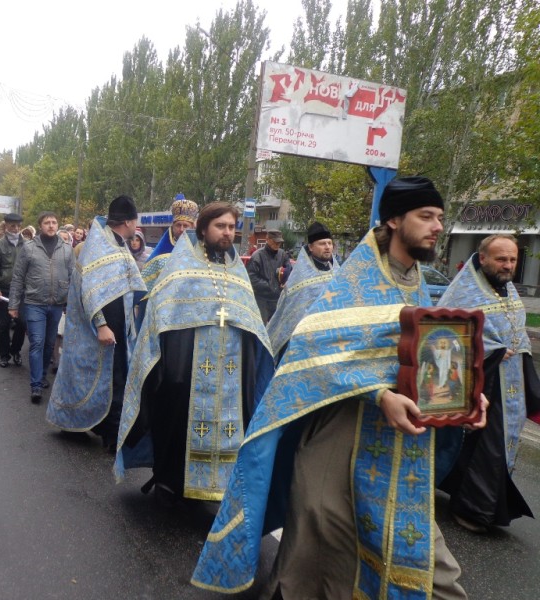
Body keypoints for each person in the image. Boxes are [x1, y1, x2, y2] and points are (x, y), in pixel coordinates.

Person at [191, 176, 488, 599]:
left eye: (440, 217)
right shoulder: (354, 283)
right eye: (426, 216)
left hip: (401, 448)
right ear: (393, 220)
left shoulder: (417, 283)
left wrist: (467, 394)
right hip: (341, 435)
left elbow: (430, 361)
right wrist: (379, 393)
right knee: (317, 538)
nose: (438, 226)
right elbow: (312, 351)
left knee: (426, 564)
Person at [115, 202, 272, 503]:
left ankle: (219, 484)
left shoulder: (236, 269)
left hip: (231, 367)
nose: (227, 232)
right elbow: (162, 311)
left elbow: (250, 317)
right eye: (220, 226)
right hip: (186, 363)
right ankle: (171, 479)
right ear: (203, 229)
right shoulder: (181, 265)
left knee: (231, 419)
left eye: (231, 227)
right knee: (176, 413)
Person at [438, 234, 540, 533]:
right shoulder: (464, 293)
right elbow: (445, 336)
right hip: (479, 383)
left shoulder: (508, 290)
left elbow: (516, 331)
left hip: (510, 383)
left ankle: (486, 506)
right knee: (485, 448)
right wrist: (490, 350)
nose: (508, 265)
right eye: (501, 259)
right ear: (483, 259)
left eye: (512, 260)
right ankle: (473, 508)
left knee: (497, 448)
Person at [47, 196, 146, 447]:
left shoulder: (118, 243)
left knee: (116, 378)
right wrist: (101, 325)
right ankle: (110, 436)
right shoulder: (99, 246)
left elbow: (128, 282)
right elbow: (90, 291)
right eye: (136, 221)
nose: (137, 226)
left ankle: (105, 428)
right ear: (127, 221)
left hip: (119, 327)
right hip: (97, 329)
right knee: (102, 379)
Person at [9, 212, 74, 403]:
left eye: (54, 222)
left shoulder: (66, 249)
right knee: (37, 342)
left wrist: (72, 302)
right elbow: (18, 277)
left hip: (56, 304)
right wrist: (13, 304)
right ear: (40, 225)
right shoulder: (29, 248)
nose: (51, 225)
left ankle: (43, 374)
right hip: (34, 302)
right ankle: (35, 385)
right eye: (47, 222)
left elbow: (74, 278)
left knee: (49, 343)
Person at [265, 222, 337, 371]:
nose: (328, 247)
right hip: (301, 344)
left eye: (330, 243)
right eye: (322, 243)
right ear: (310, 247)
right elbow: (289, 313)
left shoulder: (338, 273)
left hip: (331, 343)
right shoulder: (299, 278)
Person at [0, 213, 27, 368]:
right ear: (6, 226)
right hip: (4, 291)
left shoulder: (28, 244)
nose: (15, 229)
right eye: (12, 226)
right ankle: (4, 355)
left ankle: (16, 351)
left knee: (22, 323)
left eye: (17, 226)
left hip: (23, 291)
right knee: (3, 324)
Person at [140, 194, 199, 293]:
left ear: (193, 227)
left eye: (185, 226)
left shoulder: (201, 249)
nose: (181, 229)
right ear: (172, 226)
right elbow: (146, 286)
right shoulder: (160, 253)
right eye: (178, 225)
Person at [246, 229, 289, 323]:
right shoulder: (257, 256)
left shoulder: (283, 254)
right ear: (267, 239)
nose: (278, 244)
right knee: (261, 328)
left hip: (278, 299)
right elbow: (251, 278)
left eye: (279, 242)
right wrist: (270, 285)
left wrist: (285, 281)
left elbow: (289, 270)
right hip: (261, 300)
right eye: (275, 241)